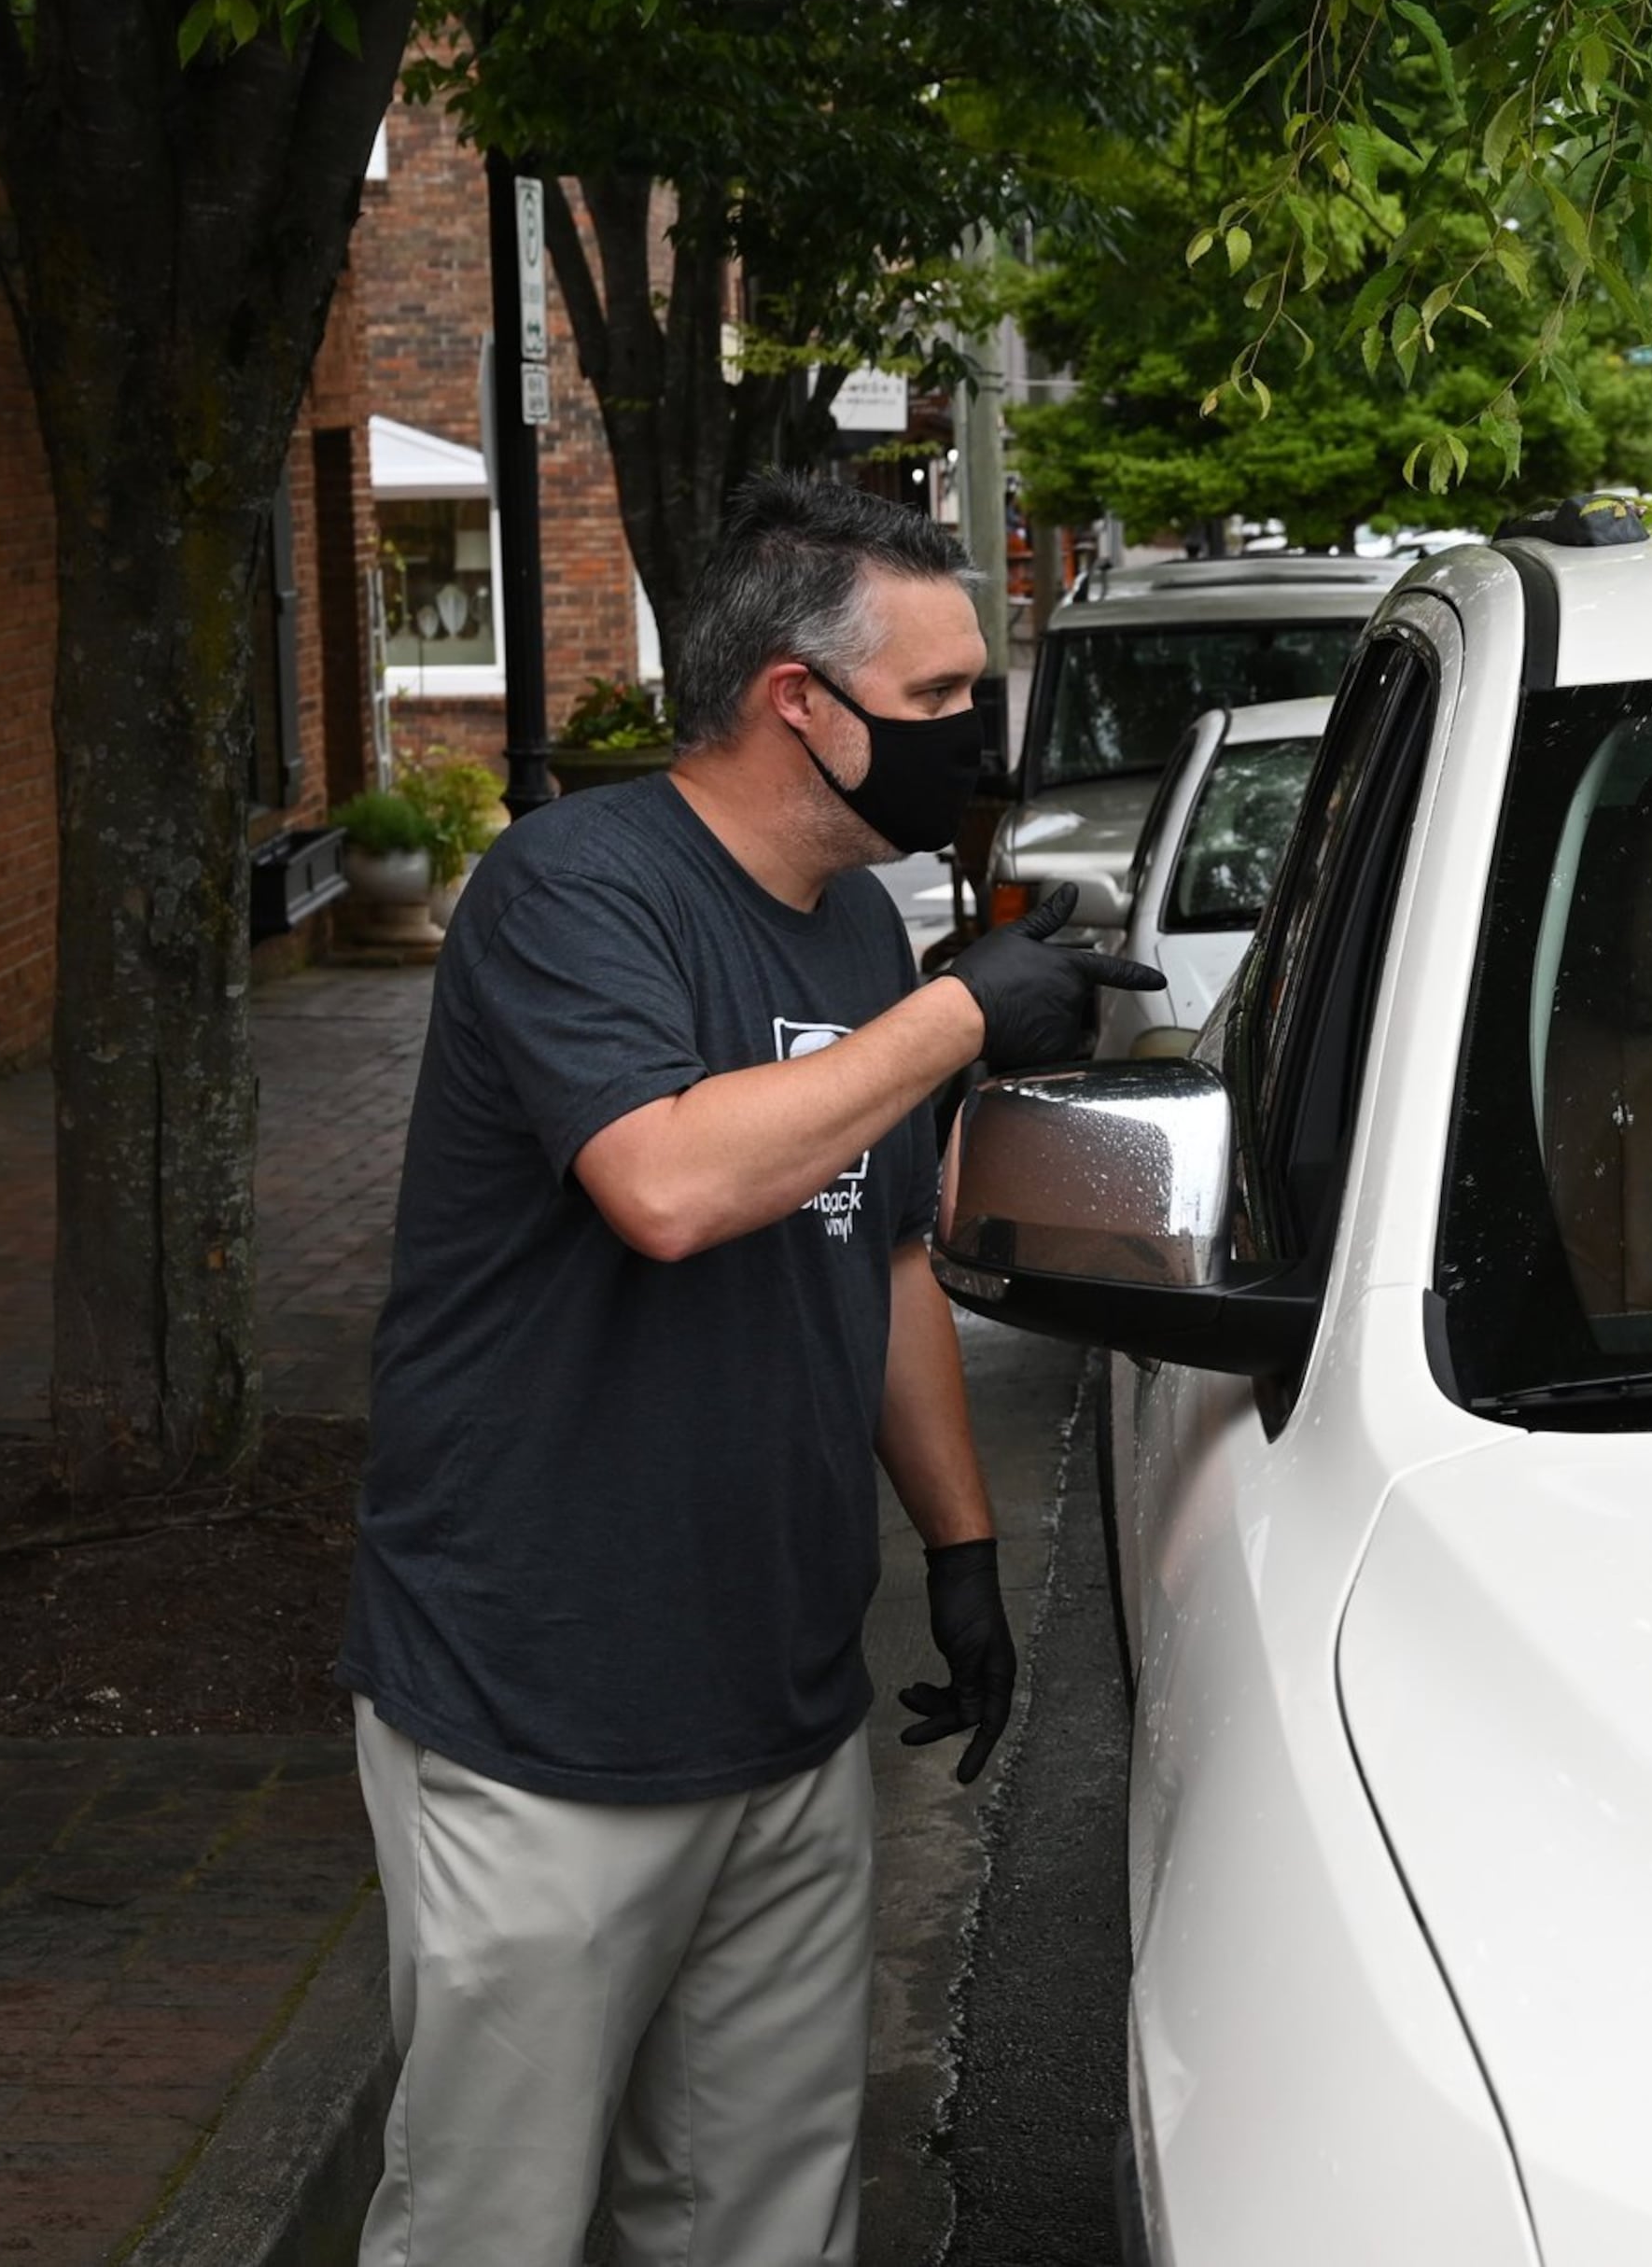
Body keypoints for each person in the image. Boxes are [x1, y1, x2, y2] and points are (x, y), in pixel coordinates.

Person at [335, 475, 1159, 2266]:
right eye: (939, 701)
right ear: (803, 700)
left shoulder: (853, 930)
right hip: (541, 1705)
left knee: (758, 2217)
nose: (972, 738)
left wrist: (957, 1555)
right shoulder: (577, 890)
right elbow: (671, 1183)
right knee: (496, 2221)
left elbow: (876, 1250)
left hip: (780, 1698)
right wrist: (961, 1012)